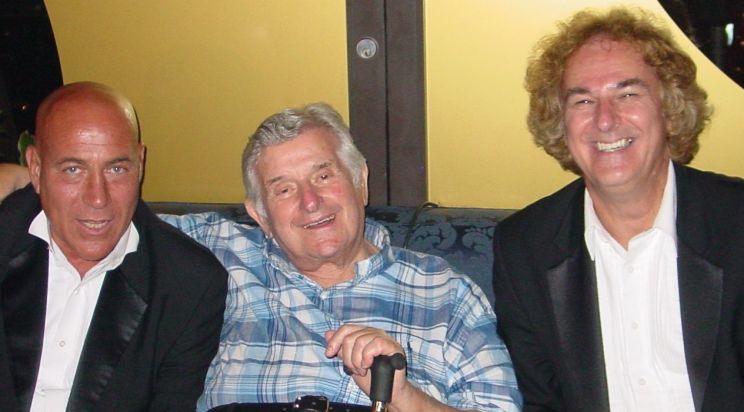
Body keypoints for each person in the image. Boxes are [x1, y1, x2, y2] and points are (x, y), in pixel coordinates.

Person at [158, 102, 522, 412]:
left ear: (360, 180)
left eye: (323, 176)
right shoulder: (221, 250)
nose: (310, 202)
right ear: (260, 215)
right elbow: (124, 222)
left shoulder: (445, 292)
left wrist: (402, 397)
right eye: (284, 189)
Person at [492, 6, 744, 412]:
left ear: (669, 109)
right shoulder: (524, 248)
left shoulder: (737, 221)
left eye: (627, 94)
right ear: (560, 122)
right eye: (583, 100)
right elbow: (542, 403)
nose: (605, 120)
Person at [0, 82, 228, 411]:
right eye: (73, 169)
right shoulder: (6, 232)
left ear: (140, 163)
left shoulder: (188, 285)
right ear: (35, 168)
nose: (97, 198)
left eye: (116, 169)